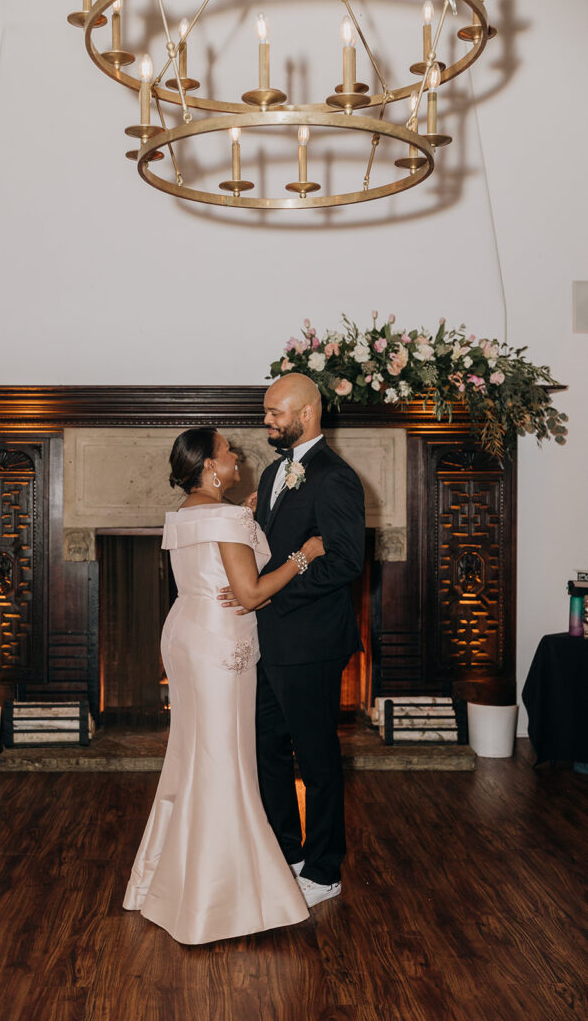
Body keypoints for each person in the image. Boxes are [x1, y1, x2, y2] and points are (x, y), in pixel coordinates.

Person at [122, 426, 325, 945]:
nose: (237, 456)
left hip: (186, 633)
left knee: (192, 755)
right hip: (221, 646)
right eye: (228, 451)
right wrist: (306, 554)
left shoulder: (186, 514)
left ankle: (165, 881)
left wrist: (246, 520)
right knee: (225, 760)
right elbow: (251, 593)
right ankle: (218, 897)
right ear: (212, 466)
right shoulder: (229, 518)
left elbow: (211, 566)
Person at [222, 373, 365, 908]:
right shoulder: (278, 469)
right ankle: (287, 851)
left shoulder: (335, 477)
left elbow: (346, 562)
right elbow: (271, 545)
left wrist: (269, 595)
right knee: (266, 747)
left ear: (306, 413)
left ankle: (325, 869)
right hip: (270, 641)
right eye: (266, 412)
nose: (267, 422)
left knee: (318, 757)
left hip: (310, 643)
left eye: (275, 413)